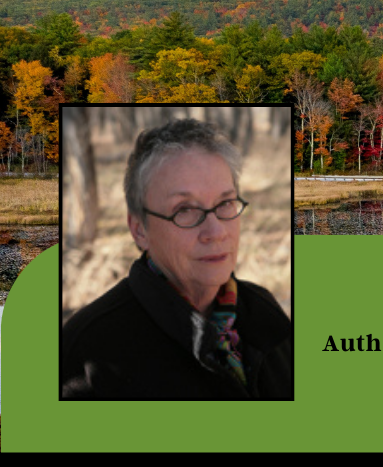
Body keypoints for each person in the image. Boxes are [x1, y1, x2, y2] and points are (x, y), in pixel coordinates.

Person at [60, 118, 293, 399]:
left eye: (226, 203)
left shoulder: (264, 313)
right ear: (139, 229)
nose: (216, 231)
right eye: (184, 209)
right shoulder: (88, 353)